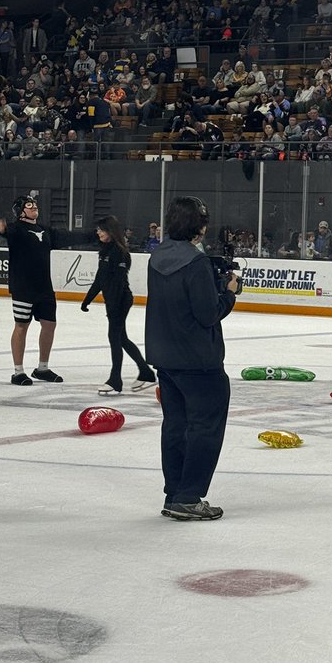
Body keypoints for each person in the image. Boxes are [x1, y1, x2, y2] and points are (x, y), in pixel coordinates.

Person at [144, 195, 239, 521]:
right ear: (198, 226)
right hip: (198, 360)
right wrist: (229, 293)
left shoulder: (157, 257)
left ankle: (174, 493)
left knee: (176, 426)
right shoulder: (196, 264)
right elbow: (208, 314)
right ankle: (188, 497)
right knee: (205, 427)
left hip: (165, 357)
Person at [0, 194, 67, 385]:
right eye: (29, 205)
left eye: (35, 204)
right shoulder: (16, 229)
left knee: (50, 325)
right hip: (23, 288)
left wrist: (95, 235)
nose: (34, 207)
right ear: (20, 211)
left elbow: (66, 236)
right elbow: (6, 232)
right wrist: (1, 229)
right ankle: (18, 372)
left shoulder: (45, 230)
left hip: (44, 287)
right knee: (21, 325)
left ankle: (42, 368)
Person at [80, 216, 157, 396]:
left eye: (101, 230)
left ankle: (115, 380)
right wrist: (87, 300)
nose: (98, 233)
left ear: (110, 231)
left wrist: (113, 305)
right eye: (98, 230)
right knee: (121, 338)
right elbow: (100, 279)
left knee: (114, 338)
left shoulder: (119, 252)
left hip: (120, 300)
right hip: (113, 301)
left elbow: (119, 282)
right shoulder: (105, 251)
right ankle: (145, 372)